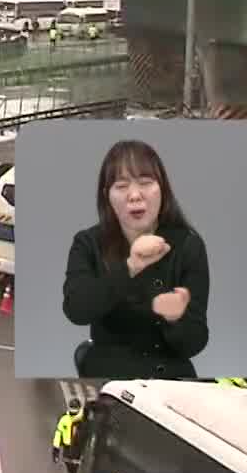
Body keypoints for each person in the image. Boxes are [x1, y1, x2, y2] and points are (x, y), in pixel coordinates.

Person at [62, 138, 211, 378]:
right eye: (121, 186)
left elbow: (194, 342)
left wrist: (173, 318)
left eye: (145, 182)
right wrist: (131, 267)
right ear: (107, 196)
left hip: (170, 376)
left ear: (162, 189)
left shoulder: (188, 246)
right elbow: (76, 309)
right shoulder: (88, 243)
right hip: (109, 372)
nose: (134, 195)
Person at [50, 399, 85, 473]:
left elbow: (58, 435)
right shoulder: (84, 419)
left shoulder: (64, 419)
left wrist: (56, 451)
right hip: (75, 454)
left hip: (72, 454)